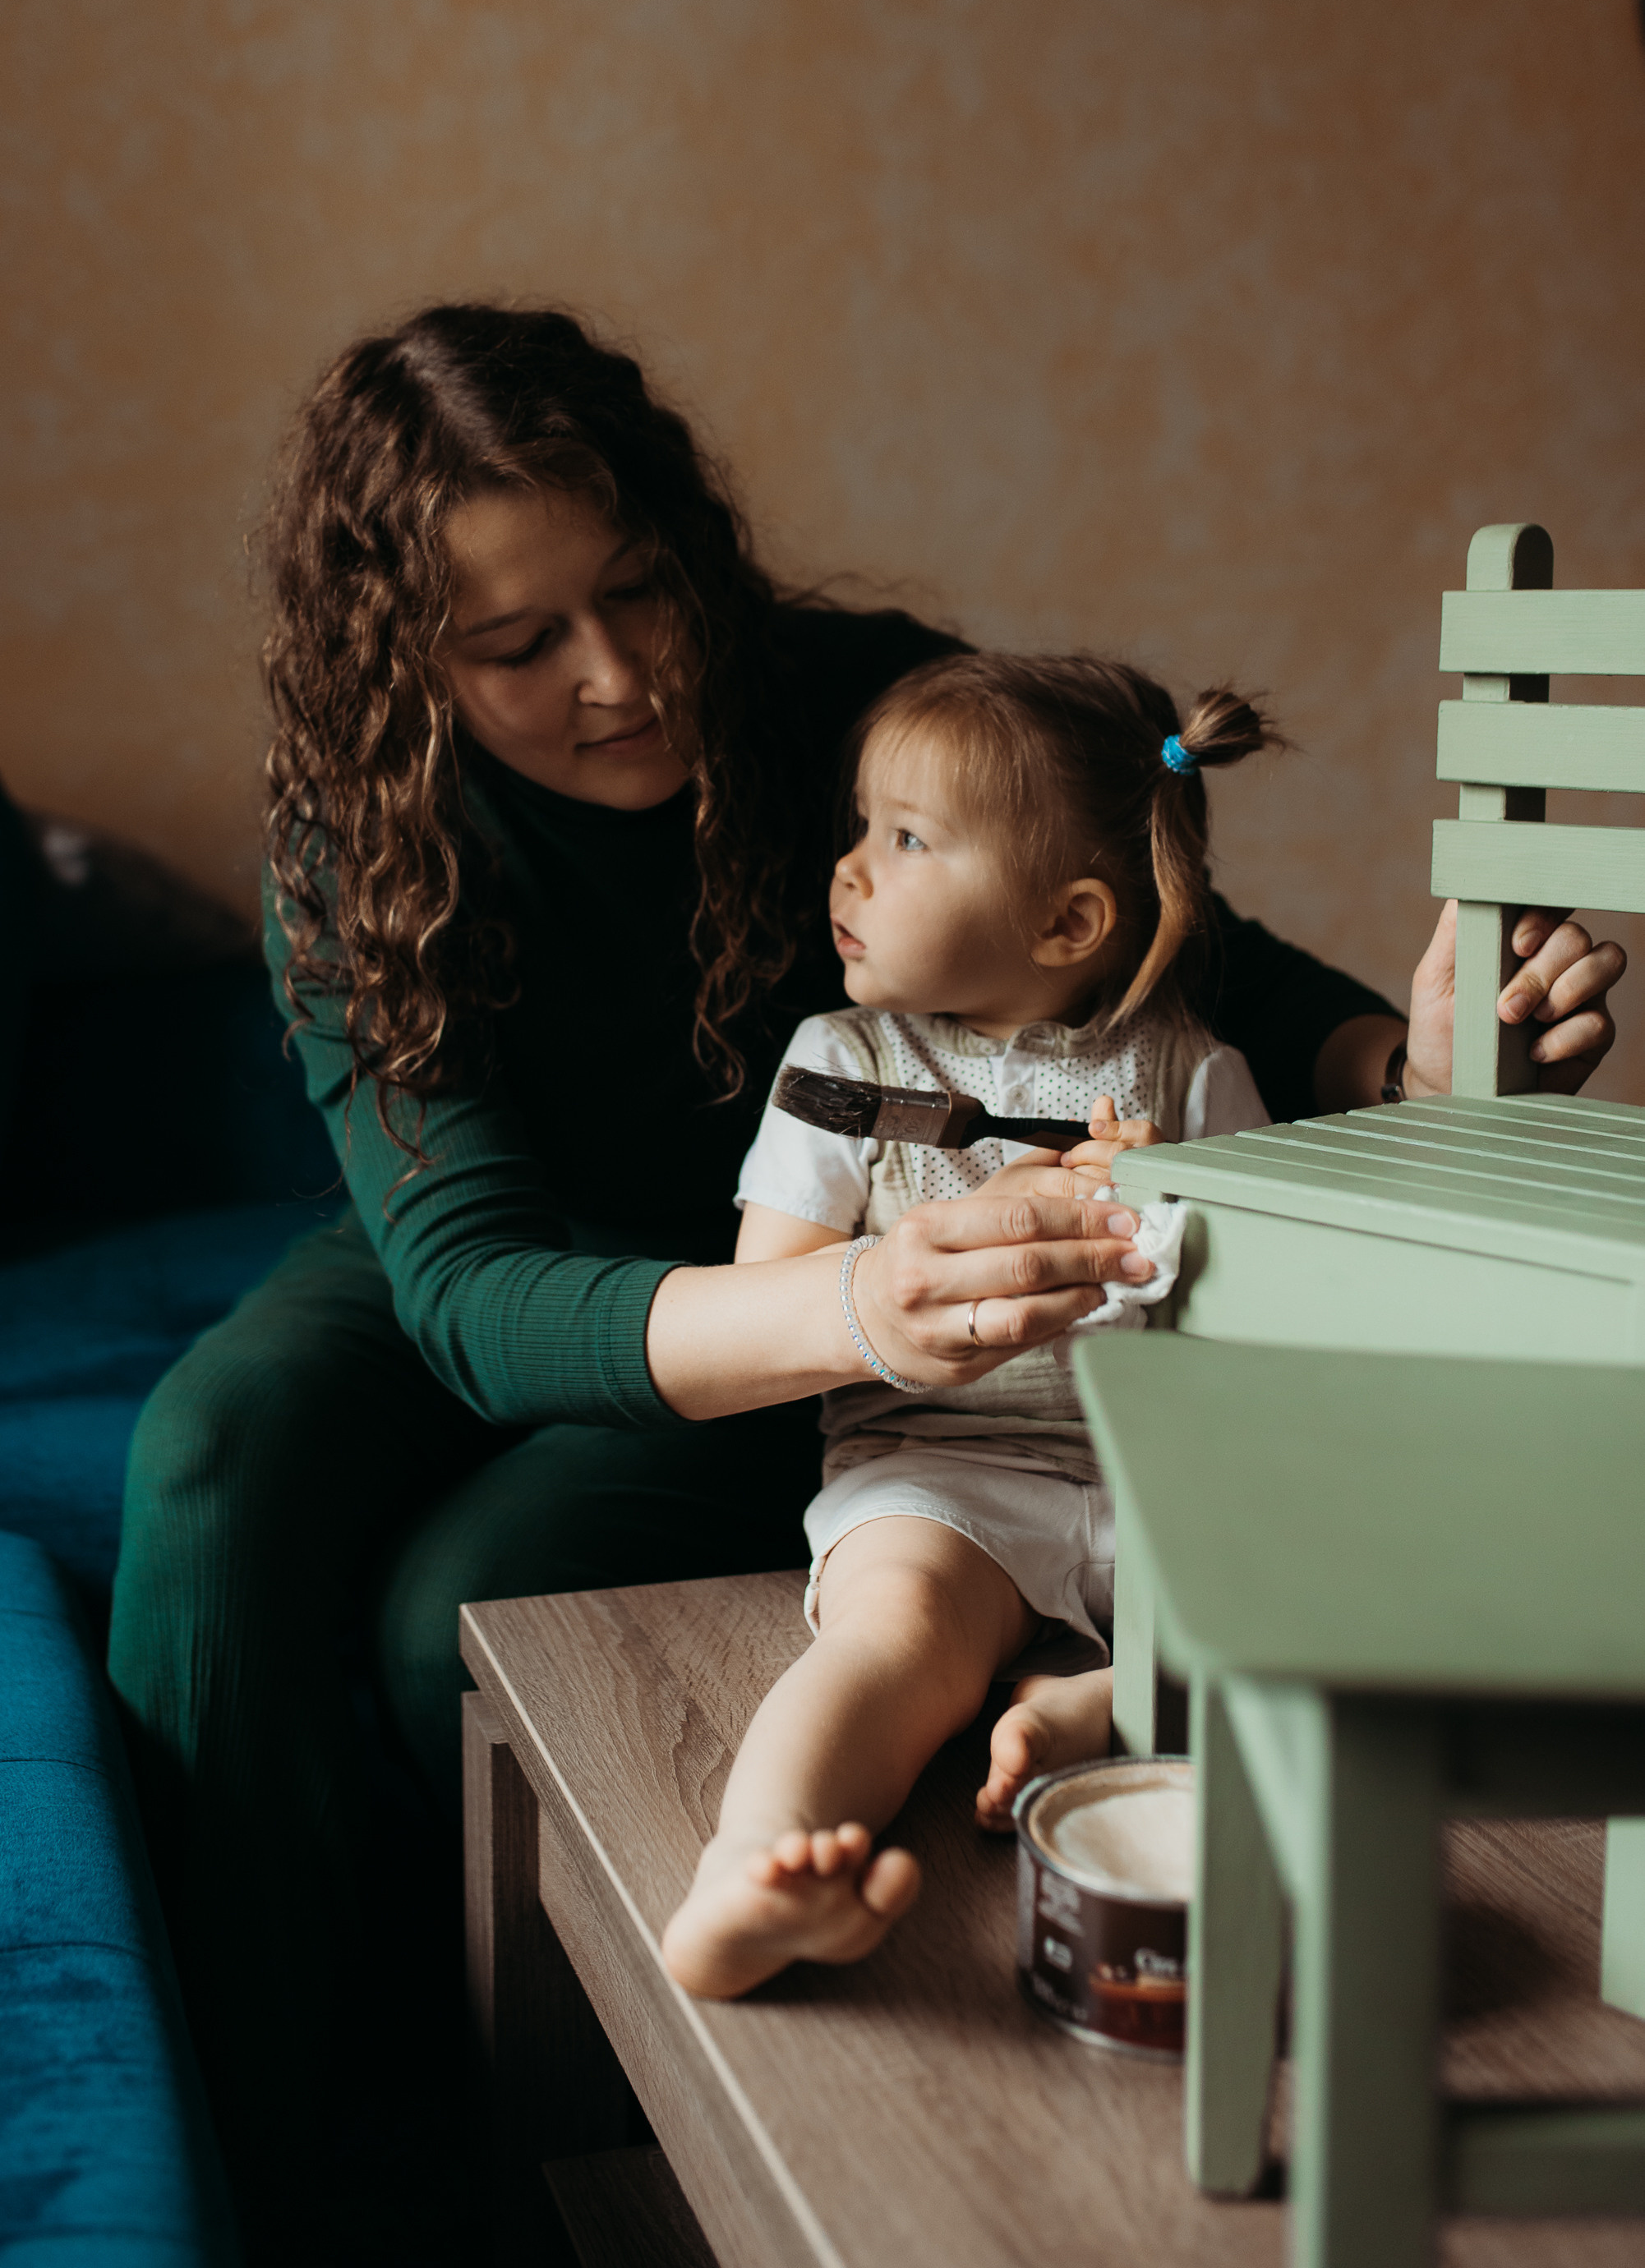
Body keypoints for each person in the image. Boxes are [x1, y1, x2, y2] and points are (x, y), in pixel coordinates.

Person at [103, 306, 1624, 2257]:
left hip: (833, 1264)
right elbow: (472, 1288)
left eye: (642, 589)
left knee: (437, 1617)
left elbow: (1190, 974)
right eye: (516, 645)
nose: (619, 673)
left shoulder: (867, 705)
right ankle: (250, 2160)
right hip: (612, 1250)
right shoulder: (355, 834)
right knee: (209, 1470)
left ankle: (477, 2111)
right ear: (404, 665)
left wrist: (1409, 1065)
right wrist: (856, 1307)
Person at [661, 651, 1273, 1998]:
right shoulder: (845, 1066)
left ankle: (1090, 1704)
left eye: (906, 838)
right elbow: (779, 1290)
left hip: (1155, 1483)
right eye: (860, 828)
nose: (849, 870)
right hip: (938, 1477)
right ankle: (753, 1872)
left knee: (1315, 1614)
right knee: (896, 1636)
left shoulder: (1190, 1076)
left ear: (1066, 925)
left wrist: (1175, 1218)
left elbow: (1259, 1332)